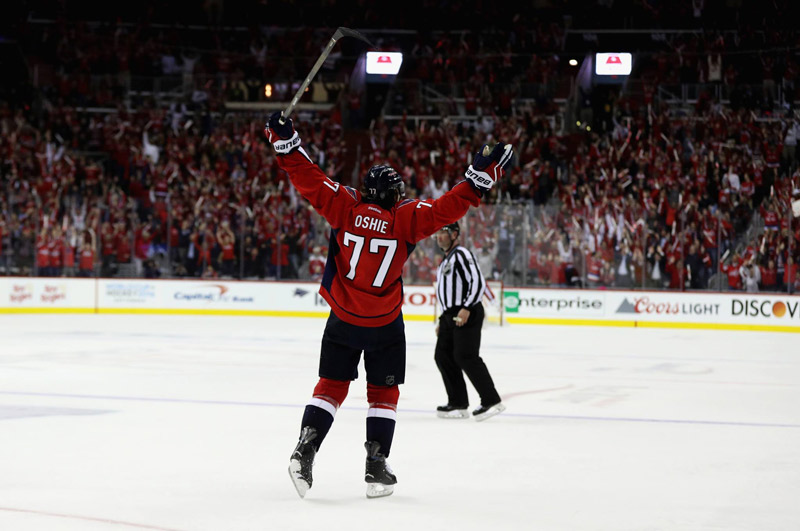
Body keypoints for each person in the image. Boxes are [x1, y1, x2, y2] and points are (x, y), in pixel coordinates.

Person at [264, 111, 512, 499]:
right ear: (392, 194)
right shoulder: (405, 218)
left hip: (343, 317)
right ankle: (375, 466)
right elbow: (448, 208)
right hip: (384, 323)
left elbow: (308, 178)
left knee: (330, 387)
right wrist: (476, 179)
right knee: (383, 395)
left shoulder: (344, 205)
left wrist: (286, 141)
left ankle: (306, 447)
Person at [433, 221, 505, 421]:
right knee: (443, 356)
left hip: (467, 310)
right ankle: (458, 403)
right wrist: (443, 319)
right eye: (437, 233)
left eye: (443, 232)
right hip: (450, 315)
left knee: (465, 355)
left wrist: (467, 307)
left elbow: (477, 281)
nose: (439, 237)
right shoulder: (445, 260)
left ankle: (491, 400)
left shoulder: (462, 254)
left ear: (455, 234)